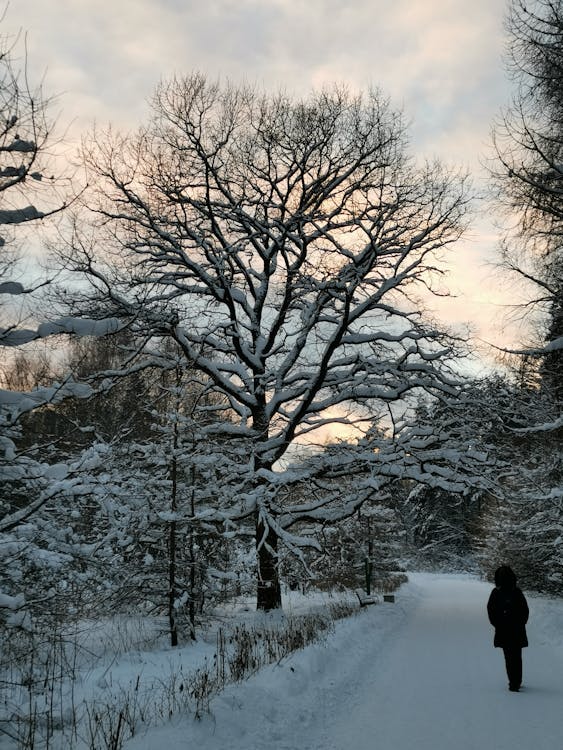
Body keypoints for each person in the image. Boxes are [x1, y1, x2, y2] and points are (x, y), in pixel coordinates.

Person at [487, 565, 529, 692]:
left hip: (503, 630)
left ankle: (513, 682)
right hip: (517, 630)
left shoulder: (496, 593)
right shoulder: (517, 592)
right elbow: (525, 611)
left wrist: (498, 624)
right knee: (517, 656)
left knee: (508, 657)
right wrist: (520, 623)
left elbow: (491, 611)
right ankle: (517, 681)